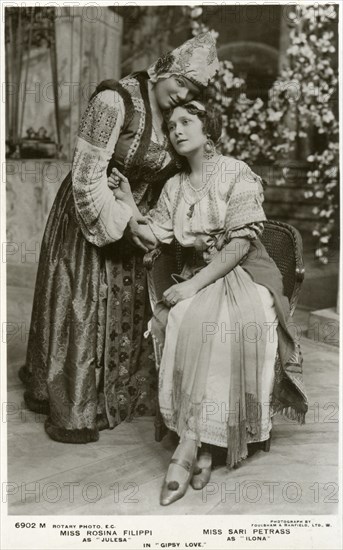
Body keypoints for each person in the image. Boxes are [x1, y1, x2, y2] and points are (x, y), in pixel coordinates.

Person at [19, 32, 220, 443]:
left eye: (192, 90)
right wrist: (126, 224)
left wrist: (149, 223)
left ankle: (120, 394)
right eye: (179, 82)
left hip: (139, 218)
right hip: (90, 216)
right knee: (83, 304)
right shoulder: (114, 101)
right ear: (162, 69)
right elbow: (87, 174)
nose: (181, 95)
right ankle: (74, 403)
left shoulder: (176, 116)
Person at [109, 100, 308, 506]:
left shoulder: (236, 172)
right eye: (171, 124)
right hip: (202, 274)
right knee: (184, 317)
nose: (177, 130)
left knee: (225, 324)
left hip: (249, 271)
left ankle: (192, 444)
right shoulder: (175, 187)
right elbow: (151, 235)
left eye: (187, 121)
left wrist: (191, 285)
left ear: (208, 127)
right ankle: (199, 445)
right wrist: (129, 201)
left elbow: (238, 245)